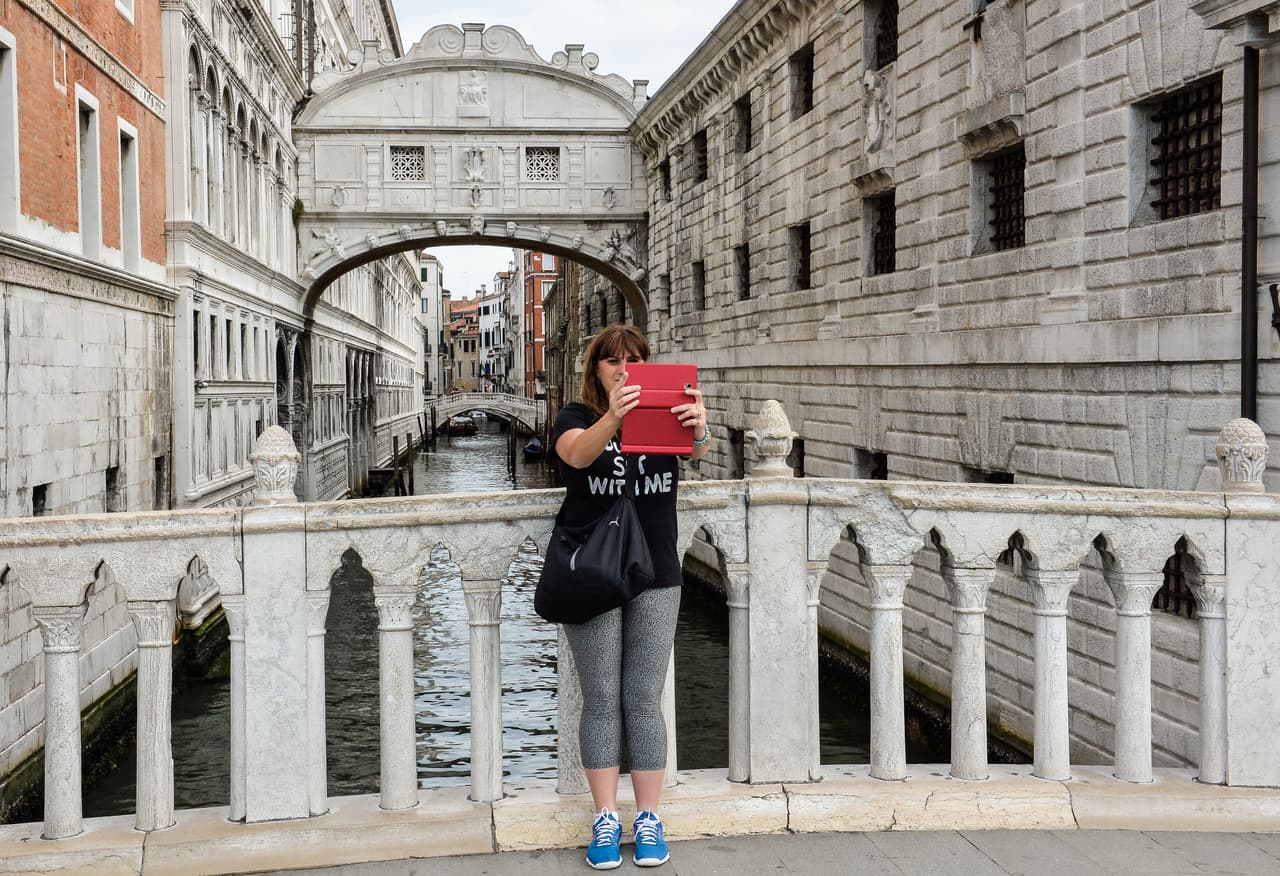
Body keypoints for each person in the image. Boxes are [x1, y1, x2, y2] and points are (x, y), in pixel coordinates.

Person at [550, 323, 710, 870]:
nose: (624, 368)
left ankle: (647, 817)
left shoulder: (664, 414)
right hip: (592, 572)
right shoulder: (575, 415)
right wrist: (614, 417)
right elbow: (574, 455)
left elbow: (695, 450)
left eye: (635, 360)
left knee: (642, 697)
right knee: (601, 698)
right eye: (613, 360)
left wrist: (700, 427)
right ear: (596, 368)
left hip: (658, 570)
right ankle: (603, 818)